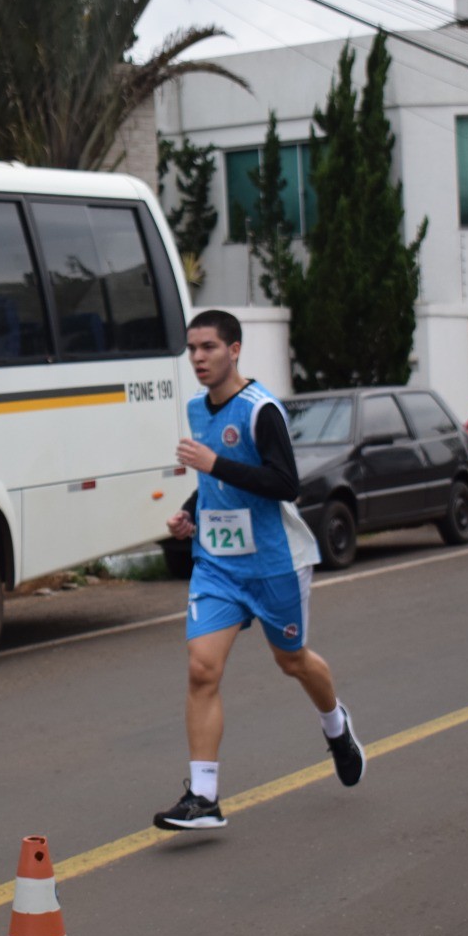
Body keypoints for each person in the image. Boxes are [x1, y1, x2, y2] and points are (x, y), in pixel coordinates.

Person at [152, 309, 365, 831]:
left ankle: (336, 726)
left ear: (235, 349)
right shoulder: (198, 410)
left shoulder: (260, 410)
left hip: (272, 565)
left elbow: (284, 483)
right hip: (218, 565)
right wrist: (191, 513)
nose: (199, 358)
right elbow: (214, 484)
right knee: (202, 667)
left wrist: (213, 465)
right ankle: (204, 797)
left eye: (209, 348)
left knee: (291, 660)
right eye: (193, 349)